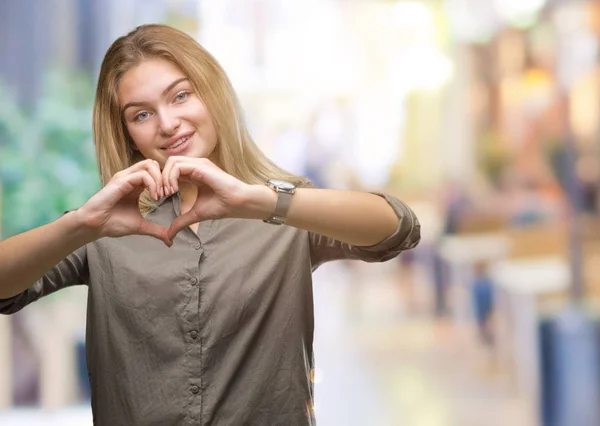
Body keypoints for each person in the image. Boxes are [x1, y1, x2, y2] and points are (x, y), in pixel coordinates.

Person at [0, 24, 421, 425]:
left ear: (213, 94)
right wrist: (82, 225)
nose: (167, 124)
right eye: (141, 115)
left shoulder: (284, 206)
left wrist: (258, 200)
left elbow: (399, 228)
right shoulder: (105, 226)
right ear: (128, 134)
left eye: (181, 96)